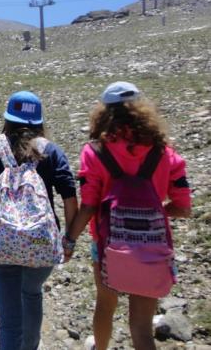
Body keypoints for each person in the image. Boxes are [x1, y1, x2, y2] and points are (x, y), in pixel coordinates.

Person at [64, 82, 191, 350]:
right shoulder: (164, 153)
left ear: (104, 113)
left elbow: (88, 205)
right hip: (152, 245)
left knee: (106, 304)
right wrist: (156, 212)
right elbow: (183, 207)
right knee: (141, 327)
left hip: (108, 243)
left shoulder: (94, 152)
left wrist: (70, 240)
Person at [0, 91, 77, 350]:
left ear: (8, 118)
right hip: (42, 240)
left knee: (9, 320)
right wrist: (69, 239)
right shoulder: (51, 150)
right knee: (32, 294)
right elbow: (69, 196)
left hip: (2, 240)